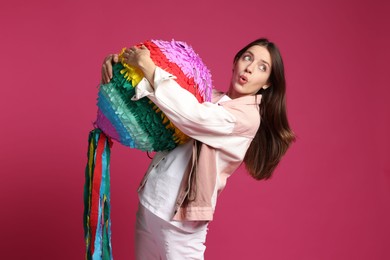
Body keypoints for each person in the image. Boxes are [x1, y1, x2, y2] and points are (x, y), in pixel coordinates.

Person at [101, 38, 295, 259]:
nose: (250, 68)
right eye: (247, 58)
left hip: (180, 223)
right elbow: (158, 103)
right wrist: (120, 69)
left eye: (262, 67)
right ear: (235, 62)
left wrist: (147, 67)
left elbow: (193, 116)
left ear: (267, 83)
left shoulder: (247, 119)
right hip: (150, 203)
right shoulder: (208, 96)